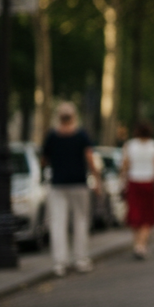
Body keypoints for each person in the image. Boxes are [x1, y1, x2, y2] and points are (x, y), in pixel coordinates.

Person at [40, 103, 101, 276]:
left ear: (58, 117)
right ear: (74, 116)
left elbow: (44, 160)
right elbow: (90, 158)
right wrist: (97, 181)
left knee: (58, 223)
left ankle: (60, 263)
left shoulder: (52, 136)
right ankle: (81, 260)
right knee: (80, 221)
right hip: (78, 184)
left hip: (58, 184)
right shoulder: (81, 135)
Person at [121, 122, 154, 260]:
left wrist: (121, 180)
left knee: (135, 214)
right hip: (148, 182)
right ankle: (142, 245)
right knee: (147, 215)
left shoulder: (130, 145)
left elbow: (125, 165)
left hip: (134, 182)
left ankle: (137, 244)